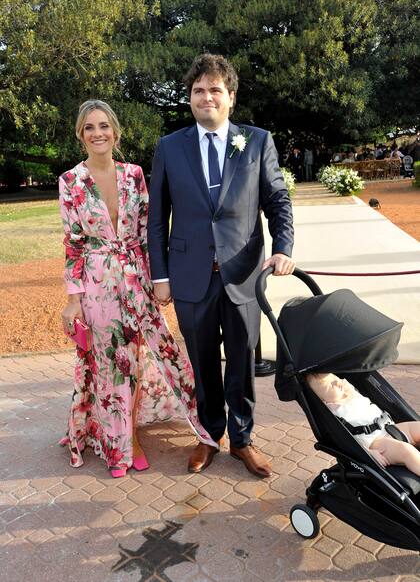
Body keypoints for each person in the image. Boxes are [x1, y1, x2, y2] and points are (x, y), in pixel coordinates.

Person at [147, 54, 295, 478]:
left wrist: (283, 246)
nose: (206, 97)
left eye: (215, 90)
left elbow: (277, 201)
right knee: (203, 362)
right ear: (189, 98)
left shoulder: (257, 141)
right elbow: (157, 218)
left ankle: (243, 439)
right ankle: (209, 436)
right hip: (190, 277)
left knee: (242, 363)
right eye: (198, 90)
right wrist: (160, 275)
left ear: (230, 97)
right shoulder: (170, 148)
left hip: (243, 276)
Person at [59, 99, 216, 478]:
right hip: (98, 284)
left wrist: (159, 281)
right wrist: (72, 300)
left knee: (149, 353)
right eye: (89, 128)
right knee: (114, 364)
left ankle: (161, 429)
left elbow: (150, 233)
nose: (98, 133)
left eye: (104, 126)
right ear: (81, 135)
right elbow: (73, 244)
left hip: (138, 278)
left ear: (115, 131)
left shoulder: (134, 175)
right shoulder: (70, 182)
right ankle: (123, 444)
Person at [306, 373, 420, 476]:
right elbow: (346, 440)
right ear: (323, 400)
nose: (337, 382)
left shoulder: (350, 392)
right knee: (406, 451)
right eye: (330, 385)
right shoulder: (333, 412)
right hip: (377, 442)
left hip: (390, 427)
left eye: (335, 378)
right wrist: (368, 454)